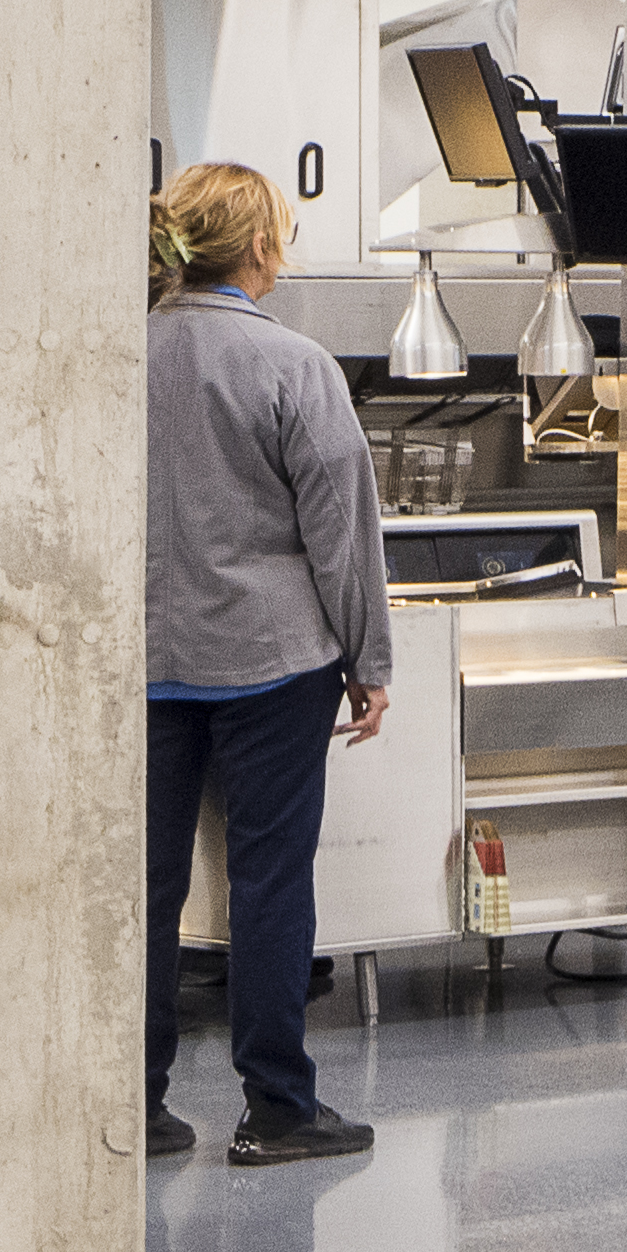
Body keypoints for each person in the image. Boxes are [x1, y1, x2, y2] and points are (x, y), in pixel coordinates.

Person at [145, 164, 392, 1168]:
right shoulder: (292, 364)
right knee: (268, 884)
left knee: (143, 891)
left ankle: (134, 1102)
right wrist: (369, 658)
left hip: (145, 669)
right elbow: (341, 533)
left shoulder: (108, 356)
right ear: (260, 250)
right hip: (272, 666)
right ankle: (277, 1107)